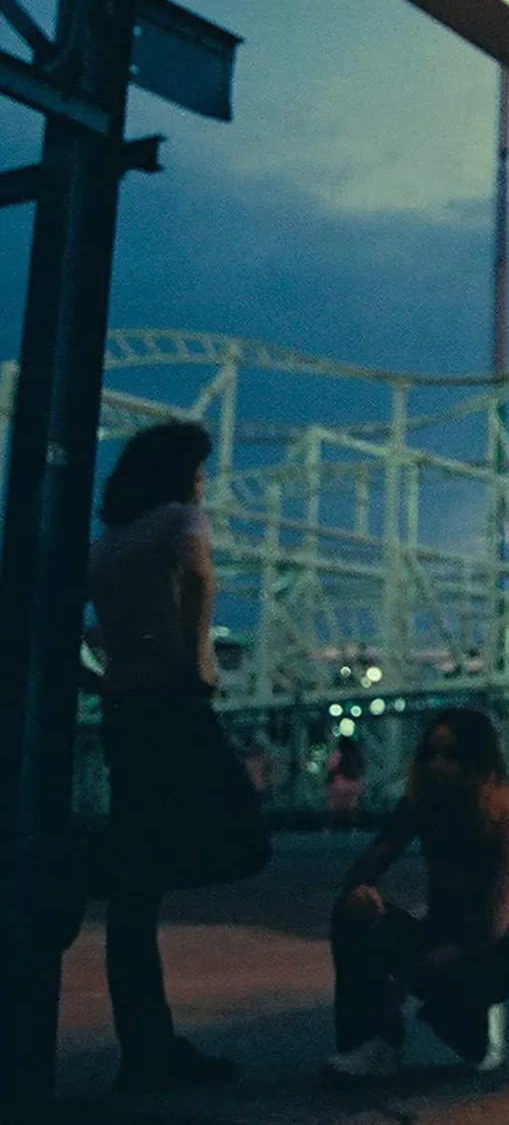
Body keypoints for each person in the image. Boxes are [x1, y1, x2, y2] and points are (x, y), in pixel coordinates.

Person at [87, 421, 270, 1095]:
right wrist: (198, 662)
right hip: (174, 703)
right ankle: (108, 865)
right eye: (197, 468)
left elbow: (75, 626)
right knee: (244, 831)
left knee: (134, 897)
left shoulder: (107, 542)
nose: (202, 480)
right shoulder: (180, 519)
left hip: (122, 711)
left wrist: (98, 679)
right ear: (176, 473)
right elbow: (198, 575)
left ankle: (147, 1051)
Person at [325, 708, 509, 1078]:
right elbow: (379, 853)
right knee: (350, 913)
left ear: (475, 760)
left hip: (487, 955)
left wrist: (448, 953)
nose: (436, 765)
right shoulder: (422, 807)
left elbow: (502, 911)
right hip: (436, 936)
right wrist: (360, 889)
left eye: (450, 756)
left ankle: (483, 1024)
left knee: (468, 1044)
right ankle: (372, 1045)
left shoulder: (504, 818)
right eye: (431, 754)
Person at [326, 734, 367, 825]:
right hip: (355, 785)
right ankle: (354, 828)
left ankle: (330, 828)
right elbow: (362, 769)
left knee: (333, 808)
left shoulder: (336, 755)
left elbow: (330, 770)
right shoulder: (357, 755)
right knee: (352, 808)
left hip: (338, 785)